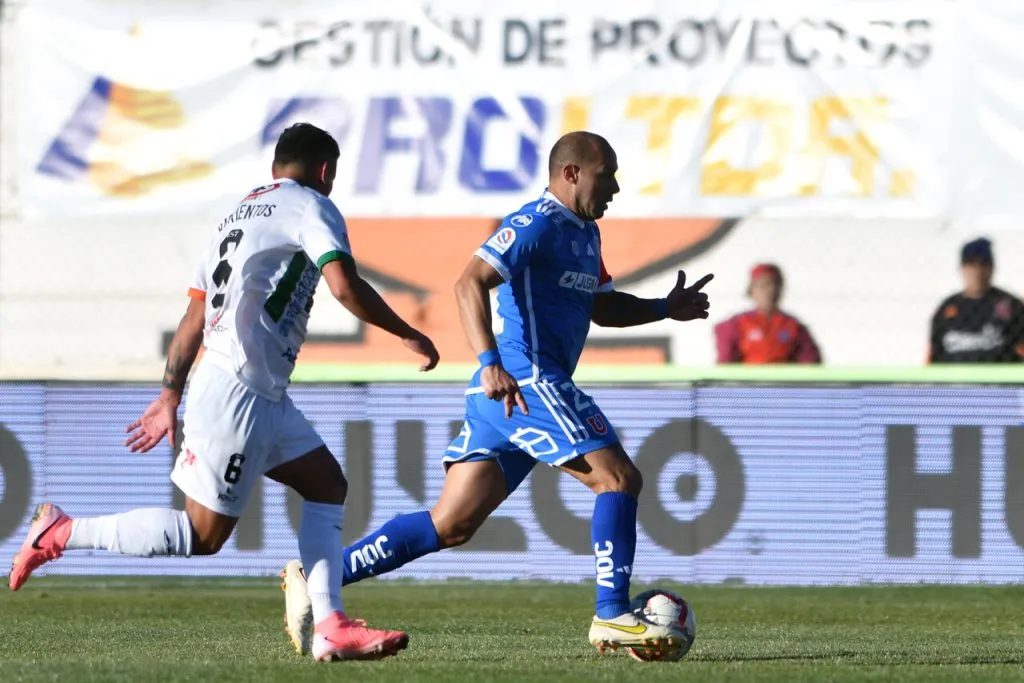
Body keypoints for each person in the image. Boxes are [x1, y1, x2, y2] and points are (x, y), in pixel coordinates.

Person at [7, 123, 440, 663]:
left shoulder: (232, 218)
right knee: (203, 535)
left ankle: (331, 624)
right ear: (325, 171)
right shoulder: (312, 205)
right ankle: (64, 532)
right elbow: (344, 285)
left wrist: (169, 395)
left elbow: (193, 316)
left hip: (255, 389)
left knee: (328, 484)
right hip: (239, 388)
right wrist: (408, 333)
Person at [277, 131, 714, 659]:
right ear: (572, 172)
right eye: (608, 173)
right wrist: (489, 363)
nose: (617, 186)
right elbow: (468, 283)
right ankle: (612, 614)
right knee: (619, 478)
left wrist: (665, 308)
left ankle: (318, 578)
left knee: (451, 523)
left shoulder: (585, 234)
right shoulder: (536, 223)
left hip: (508, 396)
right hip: (525, 382)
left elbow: (603, 307)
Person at [928, 237, 1024, 363]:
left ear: (992, 268)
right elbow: (933, 355)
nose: (978, 271)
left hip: (999, 381)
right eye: (971, 265)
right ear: (962, 268)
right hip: (956, 381)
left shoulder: (1011, 306)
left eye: (983, 264)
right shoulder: (947, 309)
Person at [713, 263, 822, 364]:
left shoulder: (793, 326)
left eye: (774, 285)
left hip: (782, 383)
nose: (769, 291)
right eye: (763, 286)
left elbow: (810, 361)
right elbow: (725, 363)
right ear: (752, 290)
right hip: (749, 383)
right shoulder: (736, 325)